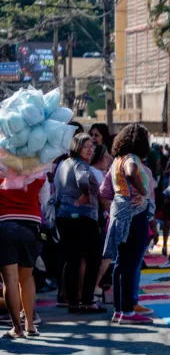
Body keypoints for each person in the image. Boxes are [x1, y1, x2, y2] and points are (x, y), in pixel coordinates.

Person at [103, 123, 154, 325]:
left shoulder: (116, 160)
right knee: (131, 263)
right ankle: (127, 311)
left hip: (120, 211)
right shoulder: (131, 159)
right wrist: (143, 193)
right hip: (134, 214)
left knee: (121, 263)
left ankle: (119, 309)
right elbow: (132, 172)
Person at [54, 134, 106, 313]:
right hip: (82, 218)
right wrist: (85, 194)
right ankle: (87, 300)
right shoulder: (80, 165)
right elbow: (82, 179)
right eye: (86, 147)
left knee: (72, 260)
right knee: (93, 259)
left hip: (64, 217)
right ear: (77, 147)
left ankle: (73, 302)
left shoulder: (63, 164)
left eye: (92, 146)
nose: (91, 150)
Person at [0, 175, 48, 338]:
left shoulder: (2, 167)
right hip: (32, 225)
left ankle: (17, 328)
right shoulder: (39, 170)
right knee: (27, 278)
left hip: (4, 224)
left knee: (10, 279)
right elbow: (45, 199)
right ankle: (30, 324)